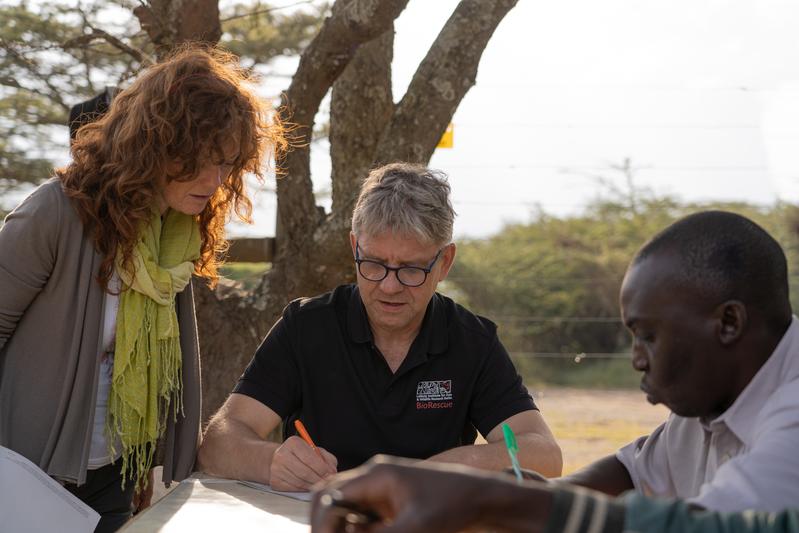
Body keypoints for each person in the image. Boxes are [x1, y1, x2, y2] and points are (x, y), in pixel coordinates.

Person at [0, 45, 285, 532]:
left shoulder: (175, 235)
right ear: (159, 144)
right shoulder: (55, 213)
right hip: (25, 474)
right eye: (203, 161)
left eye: (228, 165)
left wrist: (149, 464)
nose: (216, 181)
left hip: (114, 475)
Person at [197, 163, 563, 490]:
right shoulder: (307, 327)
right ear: (354, 246)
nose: (389, 286)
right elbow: (218, 442)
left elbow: (544, 456)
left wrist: (432, 471)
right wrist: (270, 461)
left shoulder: (471, 341)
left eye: (410, 269)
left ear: (445, 262)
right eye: (373, 263)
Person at [555, 210, 799, 513]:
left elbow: (710, 525)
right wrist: (544, 493)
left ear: (728, 323)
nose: (637, 360)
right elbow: (633, 473)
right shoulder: (708, 401)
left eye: (648, 336)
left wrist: (510, 504)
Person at [310, 456, 799, 533]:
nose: (636, 359)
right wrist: (531, 493)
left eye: (650, 336)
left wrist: (488, 499)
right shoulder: (699, 412)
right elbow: (631, 465)